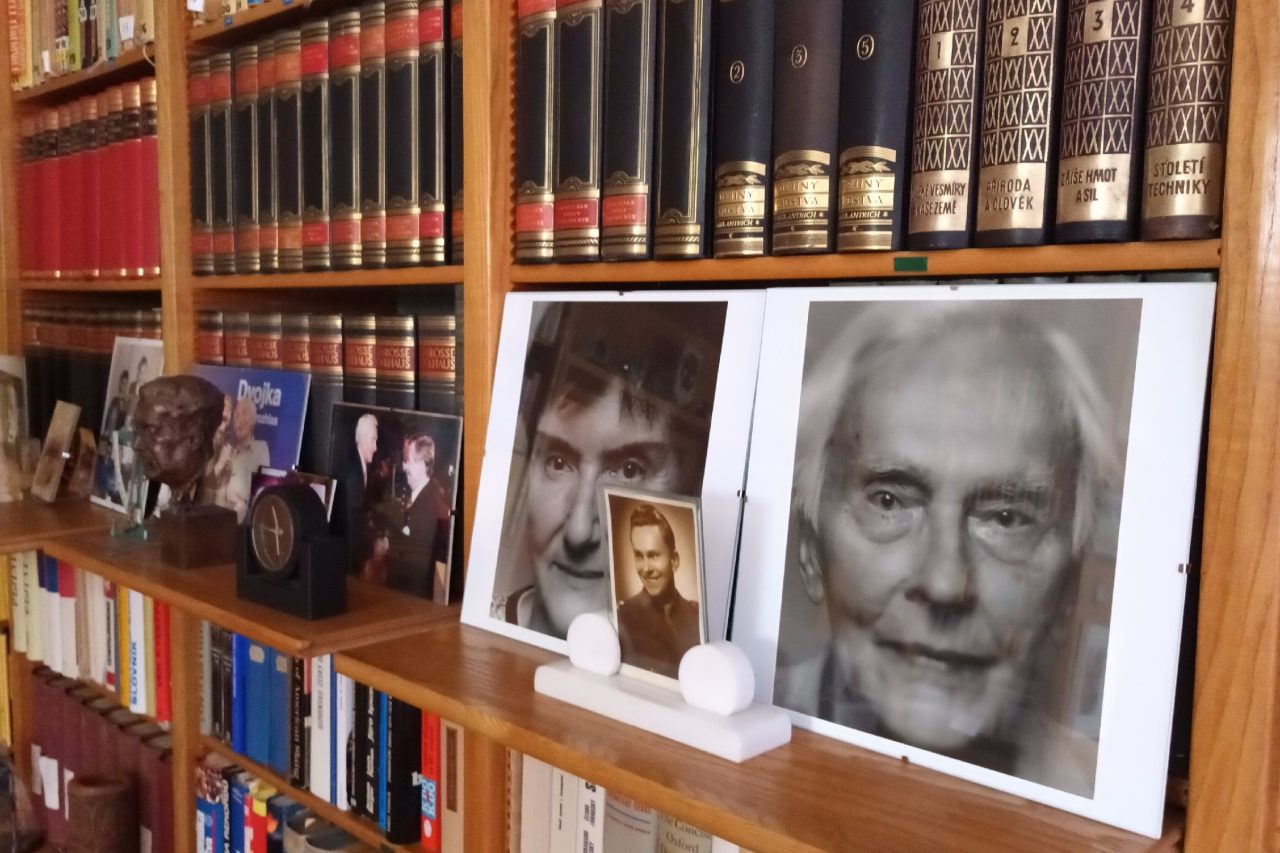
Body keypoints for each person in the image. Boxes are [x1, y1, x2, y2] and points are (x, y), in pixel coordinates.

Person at [776, 301, 1126, 797]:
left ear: (1069, 578)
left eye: (1007, 518)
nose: (944, 584)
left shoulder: (1099, 801)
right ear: (811, 549)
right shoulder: (738, 720)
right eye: (888, 500)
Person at [497, 302, 726, 640]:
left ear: (689, 489)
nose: (578, 532)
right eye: (558, 463)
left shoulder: (697, 664)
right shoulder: (484, 625)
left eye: (630, 471)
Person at [614, 503, 701, 679]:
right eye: (639, 556)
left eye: (653, 555)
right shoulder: (623, 618)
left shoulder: (696, 615)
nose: (646, 568)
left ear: (674, 561)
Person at [386, 433, 450, 598]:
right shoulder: (423, 498)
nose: (404, 467)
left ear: (422, 465)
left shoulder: (429, 506)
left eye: (409, 461)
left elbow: (414, 560)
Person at [224, 395, 271, 522]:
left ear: (253, 421)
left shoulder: (260, 449)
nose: (239, 420)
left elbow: (259, 494)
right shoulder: (228, 451)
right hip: (220, 512)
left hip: (242, 518)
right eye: (236, 415)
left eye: (244, 414)